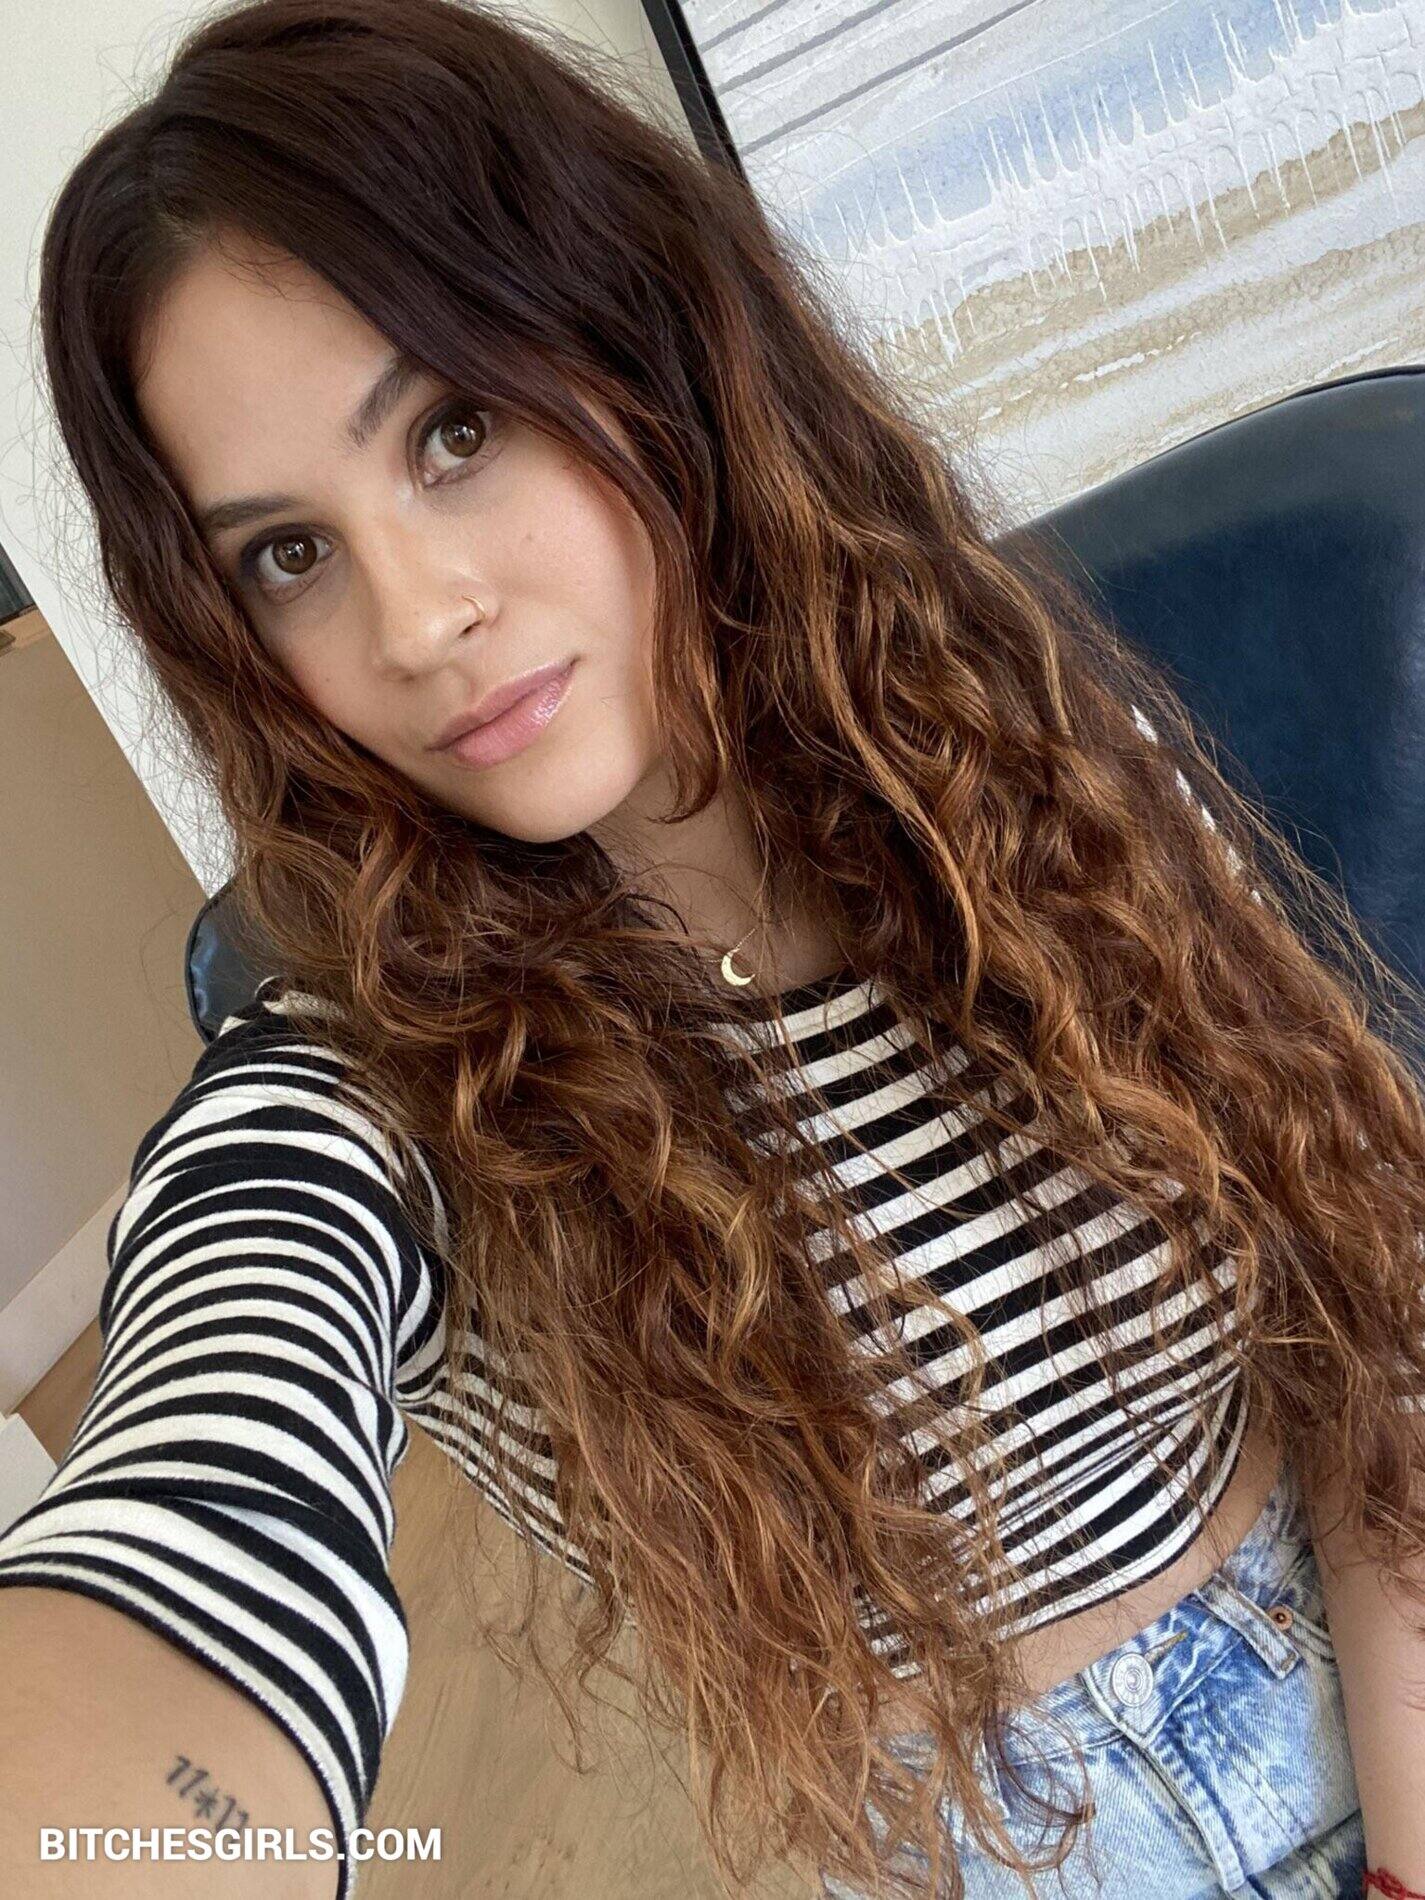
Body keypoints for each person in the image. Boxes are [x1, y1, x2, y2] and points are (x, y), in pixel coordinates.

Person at [3, 0, 1425, 1895]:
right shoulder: (373, 1095)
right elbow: (216, 1433)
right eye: (288, 554)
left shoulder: (1026, 762)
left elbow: (1364, 1316)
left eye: (453, 431)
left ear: (644, 341)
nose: (413, 620)